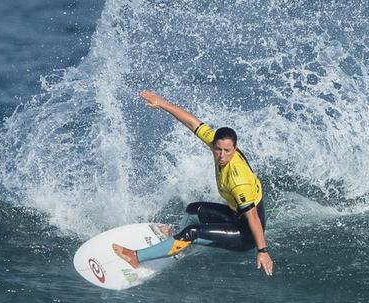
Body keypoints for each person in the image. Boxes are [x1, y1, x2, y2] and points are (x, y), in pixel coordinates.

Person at [113, 90, 274, 276]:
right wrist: (162, 103)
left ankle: (136, 257)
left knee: (193, 231)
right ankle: (177, 239)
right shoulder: (216, 143)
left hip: (246, 235)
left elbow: (252, 216)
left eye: (227, 151)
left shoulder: (238, 181)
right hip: (235, 215)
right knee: (193, 209)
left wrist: (262, 251)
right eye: (218, 149)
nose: (221, 155)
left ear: (235, 148)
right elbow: (192, 122)